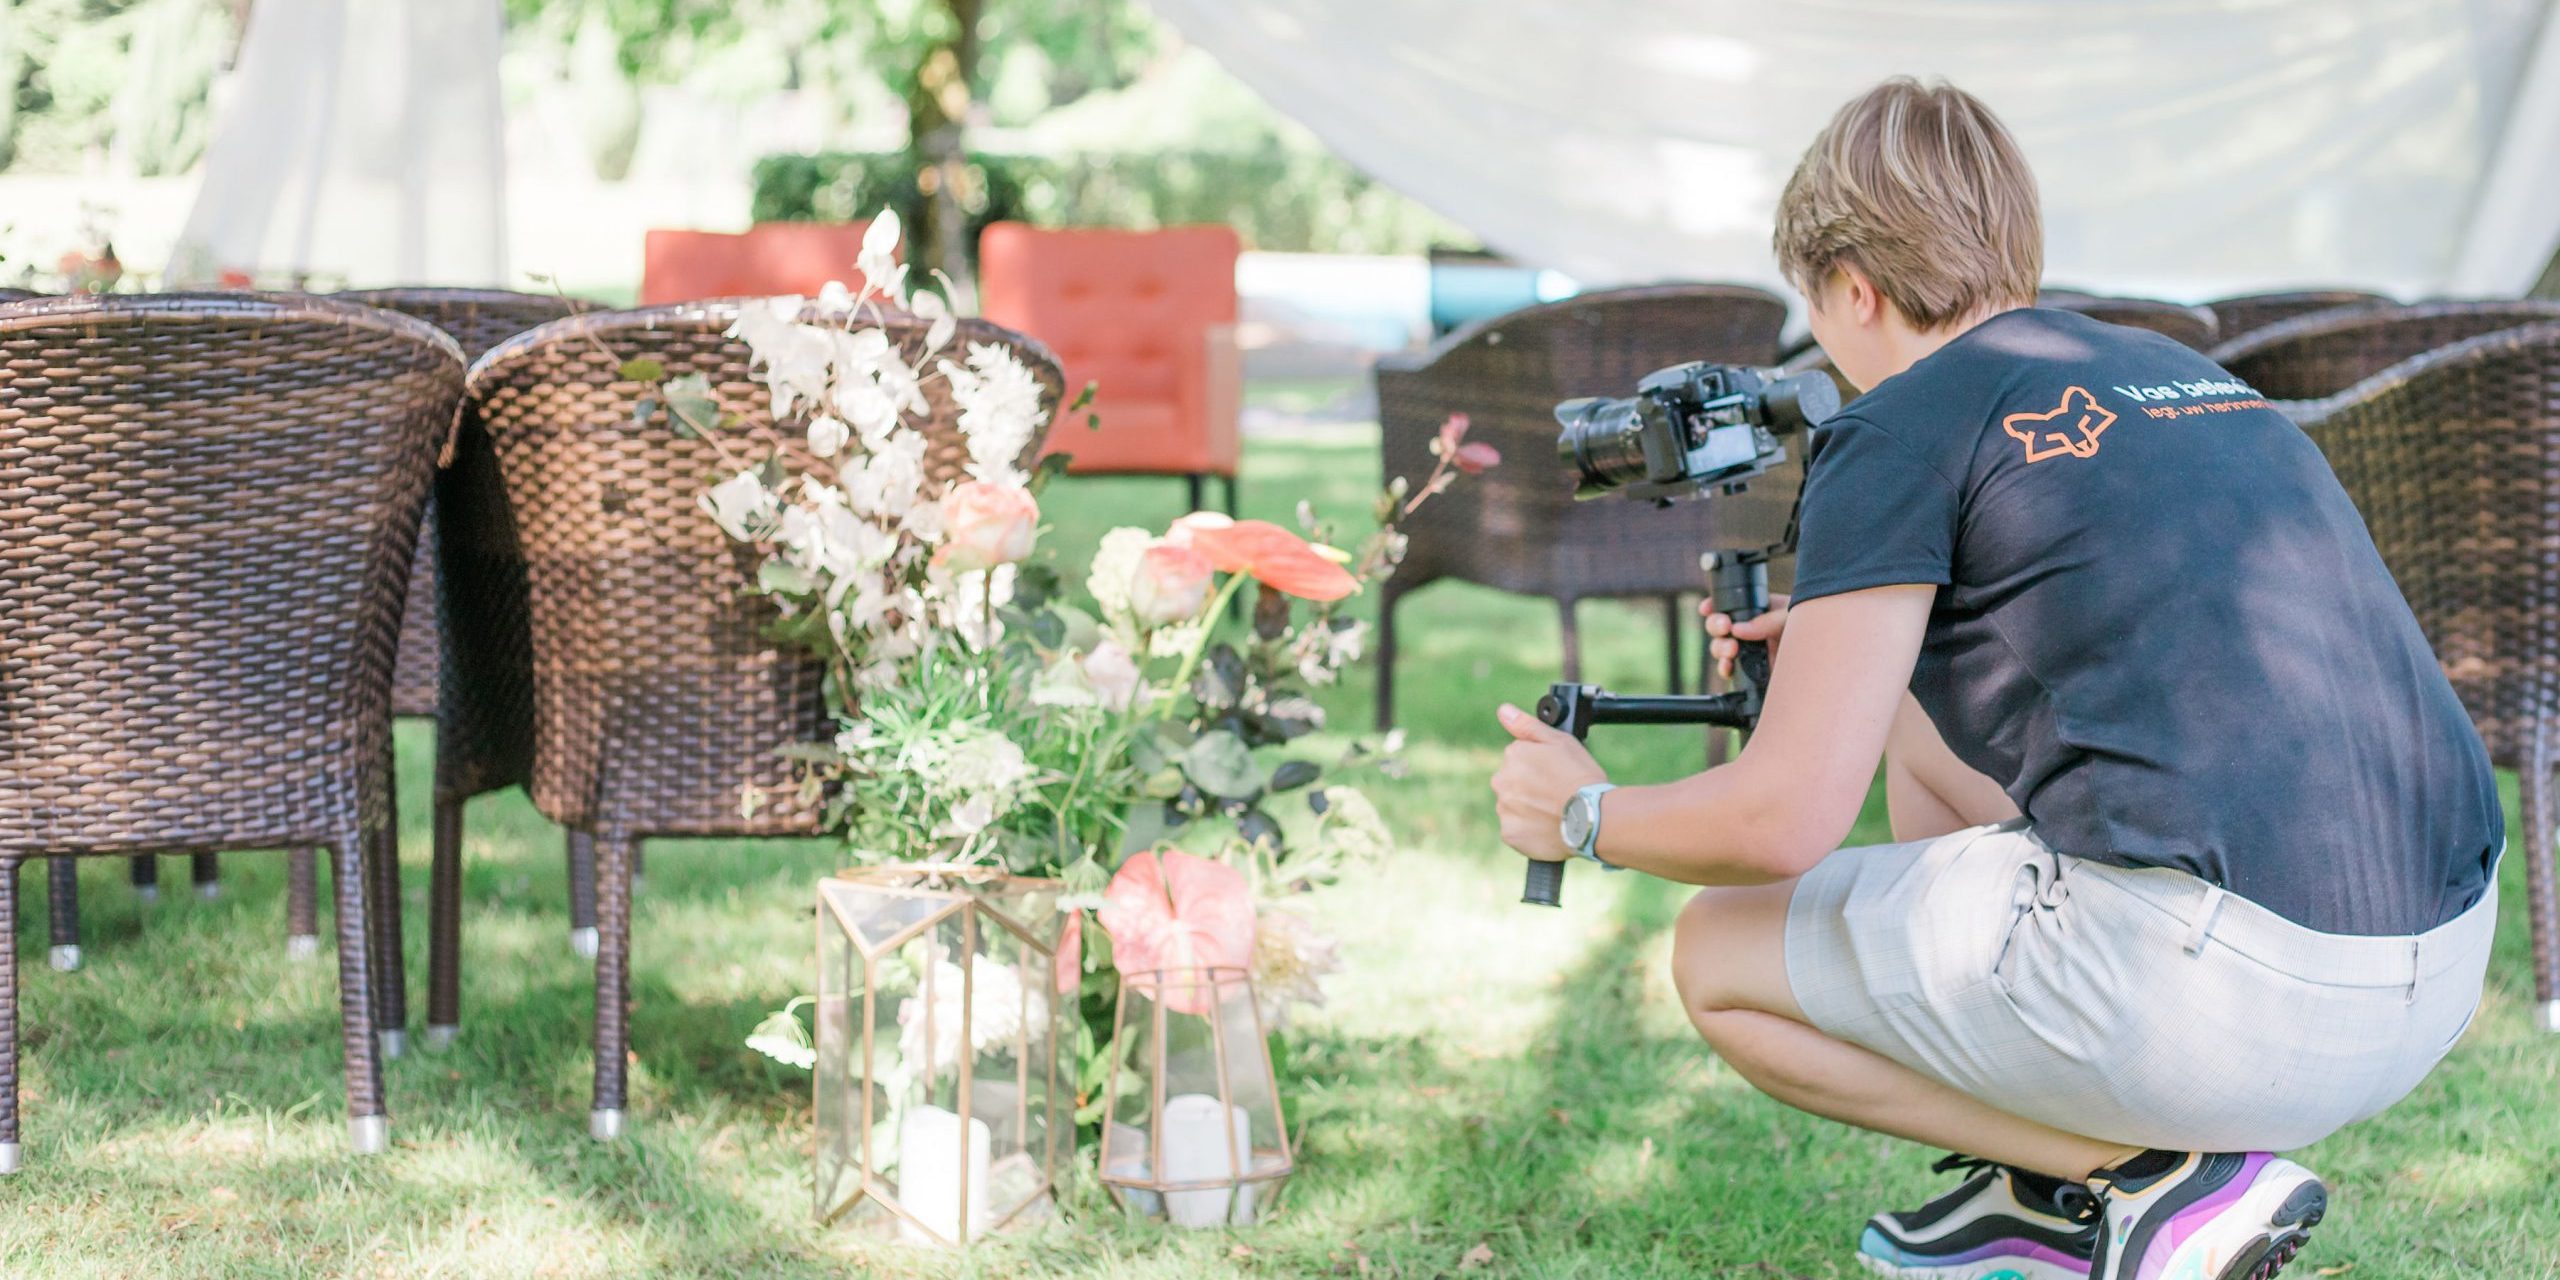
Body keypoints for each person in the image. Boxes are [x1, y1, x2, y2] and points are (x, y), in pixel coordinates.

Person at [1489, 77, 2503, 1280]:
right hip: (2438, 969)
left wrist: (1582, 812)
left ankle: (2147, 1181)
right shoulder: (2179, 371)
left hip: (2234, 1009)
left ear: (1851, 288)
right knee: (1916, 716)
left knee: (1718, 956)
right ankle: (2031, 1198)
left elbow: (1780, 822)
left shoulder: (1901, 419)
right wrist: (1835, 653)